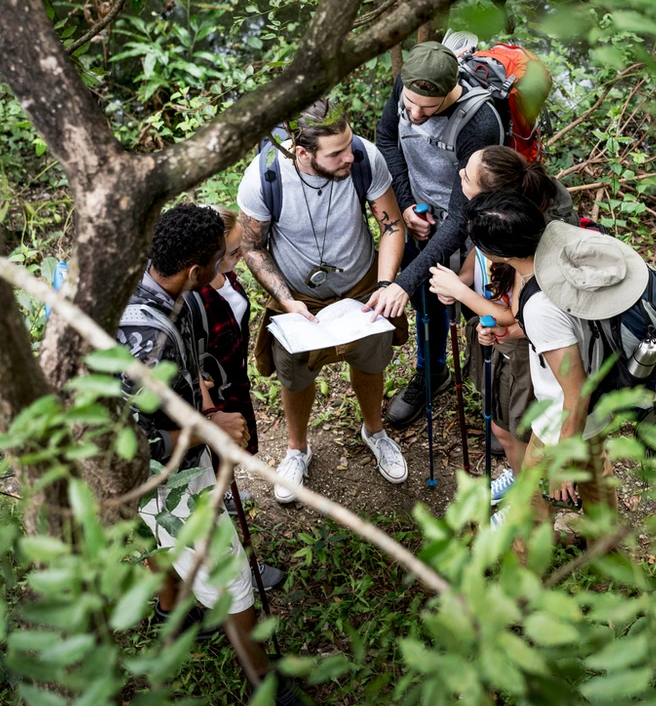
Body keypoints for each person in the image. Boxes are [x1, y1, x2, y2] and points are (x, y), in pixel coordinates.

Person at [117, 204, 322, 706]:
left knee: (158, 542)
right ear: (195, 271)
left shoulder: (162, 288)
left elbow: (183, 367)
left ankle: (173, 612)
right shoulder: (145, 341)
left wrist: (201, 395)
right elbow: (130, 444)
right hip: (157, 473)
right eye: (219, 260)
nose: (223, 268)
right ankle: (265, 683)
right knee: (230, 577)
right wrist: (209, 430)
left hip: (181, 441)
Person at [239, 100, 409, 501]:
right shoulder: (263, 176)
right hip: (297, 296)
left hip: (362, 284)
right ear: (302, 153)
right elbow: (252, 247)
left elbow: (392, 225)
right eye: (336, 153)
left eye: (349, 145)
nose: (349, 156)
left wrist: (385, 283)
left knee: (370, 361)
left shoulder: (364, 158)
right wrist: (285, 300)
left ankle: (375, 431)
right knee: (295, 376)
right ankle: (297, 450)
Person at [464, 191, 628, 533]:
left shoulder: (540, 305)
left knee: (530, 513)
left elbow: (575, 391)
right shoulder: (564, 254)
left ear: (498, 253)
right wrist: (514, 334)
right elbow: (570, 331)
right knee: (598, 485)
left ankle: (524, 577)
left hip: (562, 422)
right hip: (599, 406)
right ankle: (606, 553)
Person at [426, 146, 577, 515]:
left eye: (467, 175)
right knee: (501, 427)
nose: (459, 173)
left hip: (528, 355)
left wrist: (462, 293)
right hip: (493, 335)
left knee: (517, 429)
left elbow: (516, 314)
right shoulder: (491, 224)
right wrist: (462, 281)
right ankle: (517, 472)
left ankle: (527, 497)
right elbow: (476, 258)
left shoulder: (524, 249)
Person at [369, 41, 504, 428]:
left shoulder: (479, 122)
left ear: (448, 91)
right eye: (409, 103)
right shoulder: (409, 83)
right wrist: (407, 204)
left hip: (473, 220)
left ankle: (496, 402)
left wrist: (402, 283)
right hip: (423, 210)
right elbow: (387, 139)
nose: (414, 114)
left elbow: (463, 216)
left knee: (485, 310)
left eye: (427, 109)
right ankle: (433, 374)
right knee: (430, 305)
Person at [184, 204, 283, 590]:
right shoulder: (193, 295)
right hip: (211, 401)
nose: (241, 259)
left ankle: (224, 497)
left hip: (233, 383)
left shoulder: (226, 276)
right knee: (212, 470)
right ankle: (235, 567)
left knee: (229, 465)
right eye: (233, 253)